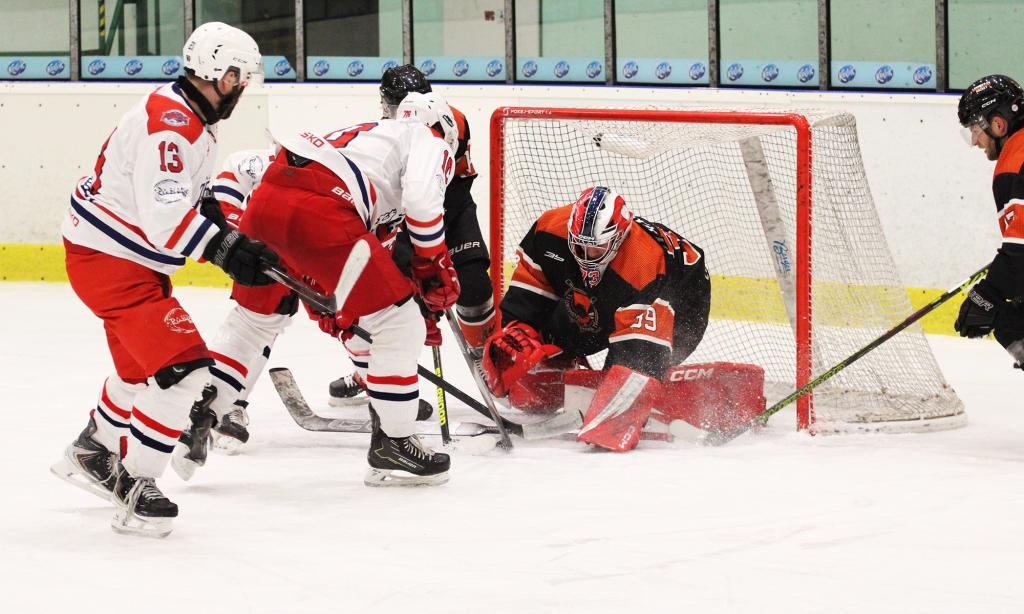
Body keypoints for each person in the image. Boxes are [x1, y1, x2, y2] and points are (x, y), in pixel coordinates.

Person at [50, 22, 270, 537]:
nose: (242, 89)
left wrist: (224, 229)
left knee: (138, 374)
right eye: (239, 78)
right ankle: (136, 482)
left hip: (125, 261)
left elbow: (189, 200)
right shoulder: (172, 125)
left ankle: (93, 450)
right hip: (110, 262)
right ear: (221, 73)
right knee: (182, 369)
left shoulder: (193, 115)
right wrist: (225, 248)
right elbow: (165, 220)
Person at [178, 91, 461, 486]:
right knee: (401, 324)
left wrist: (347, 303)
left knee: (255, 322)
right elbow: (422, 203)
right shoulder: (426, 139)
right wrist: (433, 265)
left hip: (270, 202)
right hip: (322, 211)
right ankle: (394, 443)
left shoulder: (369, 139)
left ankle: (199, 413)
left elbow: (362, 251)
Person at [481, 186, 713, 451]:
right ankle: (566, 363)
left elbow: (638, 357)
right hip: (609, 290)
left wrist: (615, 404)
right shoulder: (549, 230)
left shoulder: (643, 263)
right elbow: (531, 292)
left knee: (636, 371)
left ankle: (655, 388)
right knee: (542, 359)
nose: (586, 255)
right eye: (579, 245)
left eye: (596, 247)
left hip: (683, 301)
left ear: (619, 238)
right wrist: (518, 330)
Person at [329, 64, 496, 405]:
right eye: (394, 103)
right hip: (403, 217)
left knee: (475, 286)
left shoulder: (452, 122)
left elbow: (452, 182)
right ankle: (370, 373)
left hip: (451, 206)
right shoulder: (384, 131)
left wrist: (433, 257)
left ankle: (491, 364)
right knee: (393, 301)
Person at [955, 74, 1024, 364]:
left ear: (998, 124)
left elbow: (1021, 251)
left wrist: (988, 293)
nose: (975, 141)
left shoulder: (1014, 162)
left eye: (975, 128)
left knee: (1012, 326)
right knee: (1012, 322)